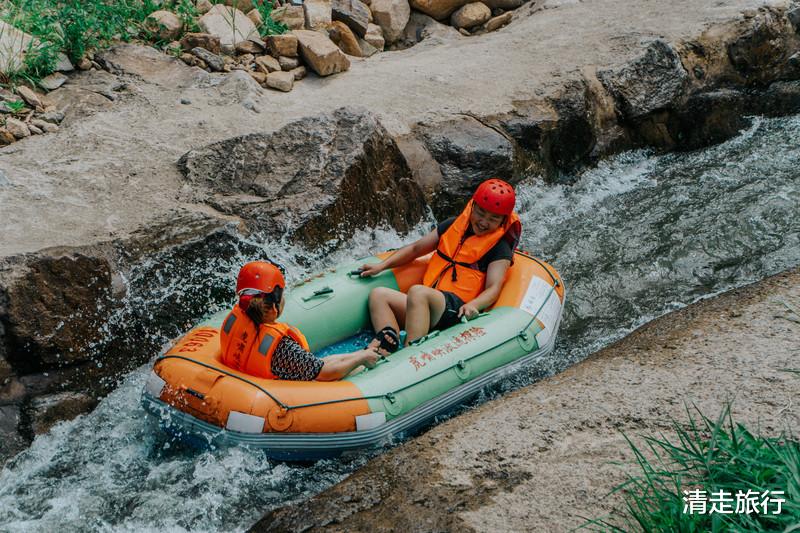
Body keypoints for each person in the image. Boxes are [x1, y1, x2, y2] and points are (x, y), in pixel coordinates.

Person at [362, 178, 522, 353]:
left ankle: (409, 353)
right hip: (427, 303)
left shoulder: (500, 248)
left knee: (418, 292)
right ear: (472, 206)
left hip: (456, 309)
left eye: (493, 218)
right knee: (378, 295)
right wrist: (382, 266)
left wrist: (474, 305)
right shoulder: (452, 225)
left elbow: (494, 287)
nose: (484, 222)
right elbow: (416, 249)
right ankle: (388, 342)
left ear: (503, 220)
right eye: (481, 213)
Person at [220, 261, 379, 381]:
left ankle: (362, 353)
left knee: (319, 362)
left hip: (250, 378)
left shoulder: (233, 321)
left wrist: (360, 353)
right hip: (288, 394)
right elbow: (325, 372)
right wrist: (361, 359)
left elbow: (312, 364)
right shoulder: (283, 348)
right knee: (358, 370)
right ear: (274, 306)